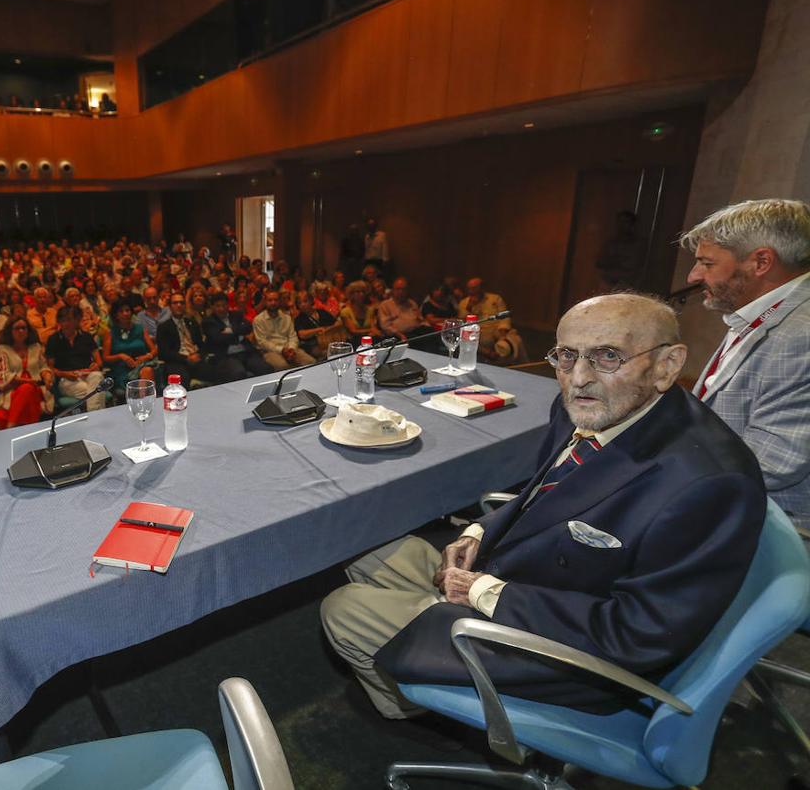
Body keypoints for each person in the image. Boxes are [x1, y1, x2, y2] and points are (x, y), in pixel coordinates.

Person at [321, 293, 765, 720]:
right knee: (366, 555)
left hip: (568, 653)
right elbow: (544, 496)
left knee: (342, 608)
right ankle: (424, 627)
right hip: (521, 574)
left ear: (667, 365)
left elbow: (635, 636)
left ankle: (416, 706)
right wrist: (478, 531)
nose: (578, 378)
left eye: (608, 356)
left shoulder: (709, 484)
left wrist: (482, 592)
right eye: (566, 356)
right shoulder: (589, 407)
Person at [681, 198, 810, 521]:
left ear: (761, 262)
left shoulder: (802, 334)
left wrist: (656, 467)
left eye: (707, 263)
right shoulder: (767, 312)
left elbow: (772, 462)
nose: (693, 276)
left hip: (775, 532)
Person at [0, 317, 53, 429]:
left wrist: (47, 376)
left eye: (24, 328)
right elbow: (2, 376)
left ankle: (10, 427)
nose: (21, 331)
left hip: (37, 389)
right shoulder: (2, 349)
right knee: (27, 388)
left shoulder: (36, 347)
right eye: (17, 328)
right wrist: (30, 381)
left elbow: (43, 367)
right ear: (10, 331)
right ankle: (29, 429)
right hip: (11, 390)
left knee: (29, 389)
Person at [46, 305, 106, 411]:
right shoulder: (53, 339)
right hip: (67, 379)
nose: (66, 324)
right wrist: (64, 374)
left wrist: (95, 365)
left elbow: (99, 362)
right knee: (97, 391)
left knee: (97, 375)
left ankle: (94, 417)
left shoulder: (86, 336)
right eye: (62, 320)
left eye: (69, 320)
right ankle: (96, 417)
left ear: (76, 320)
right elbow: (50, 368)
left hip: (87, 374)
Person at [201, 292, 271, 381]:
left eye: (224, 305)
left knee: (265, 368)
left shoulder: (236, 315)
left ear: (228, 305)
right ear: (212, 307)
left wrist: (231, 331)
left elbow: (248, 327)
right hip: (226, 356)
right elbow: (218, 338)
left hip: (245, 351)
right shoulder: (208, 322)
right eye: (218, 306)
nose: (222, 309)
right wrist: (238, 335)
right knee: (238, 373)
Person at [156, 292, 214, 387]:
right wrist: (186, 358)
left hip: (196, 358)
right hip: (177, 362)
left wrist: (199, 355)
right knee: (182, 378)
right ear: (170, 307)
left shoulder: (192, 322)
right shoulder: (164, 327)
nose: (179, 305)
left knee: (215, 371)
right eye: (175, 303)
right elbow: (163, 353)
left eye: (181, 303)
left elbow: (201, 344)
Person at [102, 300, 159, 393]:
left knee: (147, 371)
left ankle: (145, 404)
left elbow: (154, 350)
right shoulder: (110, 333)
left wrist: (146, 356)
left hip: (141, 365)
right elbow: (105, 357)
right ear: (116, 315)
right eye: (121, 311)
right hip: (121, 369)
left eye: (127, 310)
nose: (125, 313)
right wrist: (120, 356)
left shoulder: (140, 329)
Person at [252, 290, 315, 370]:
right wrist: (282, 350)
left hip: (289, 348)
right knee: (284, 367)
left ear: (280, 302)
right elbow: (262, 342)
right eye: (270, 300)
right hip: (270, 351)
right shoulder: (258, 320)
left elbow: (293, 336)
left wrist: (291, 349)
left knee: (311, 362)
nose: (273, 303)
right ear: (265, 302)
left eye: (276, 300)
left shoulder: (287, 318)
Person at [457, 278, 509, 355]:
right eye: (469, 289)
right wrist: (469, 308)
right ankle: (489, 354)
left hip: (498, 328)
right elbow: (462, 323)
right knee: (483, 340)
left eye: (474, 288)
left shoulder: (496, 298)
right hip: (480, 331)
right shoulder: (464, 302)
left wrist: (503, 333)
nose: (471, 291)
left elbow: (505, 316)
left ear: (482, 288)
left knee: (514, 339)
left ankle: (520, 364)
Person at [377, 278, 431, 343]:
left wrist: (428, 326)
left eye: (403, 289)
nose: (401, 292)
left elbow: (420, 319)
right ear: (393, 290)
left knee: (431, 333)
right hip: (398, 336)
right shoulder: (385, 305)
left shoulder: (412, 303)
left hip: (416, 332)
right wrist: (400, 335)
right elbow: (385, 326)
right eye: (398, 289)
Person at [293, 291, 338, 360]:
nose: (303, 305)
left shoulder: (322, 312)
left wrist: (328, 329)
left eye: (305, 301)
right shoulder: (299, 319)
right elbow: (302, 334)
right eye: (299, 303)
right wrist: (319, 330)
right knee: (325, 352)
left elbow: (337, 323)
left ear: (311, 301)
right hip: (311, 344)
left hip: (329, 340)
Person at [338, 281, 381, 347]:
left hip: (368, 342)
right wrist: (370, 330)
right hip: (352, 343)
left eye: (363, 292)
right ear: (351, 295)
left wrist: (373, 331)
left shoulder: (370, 310)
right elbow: (353, 331)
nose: (361, 294)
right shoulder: (345, 311)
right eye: (358, 292)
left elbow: (373, 327)